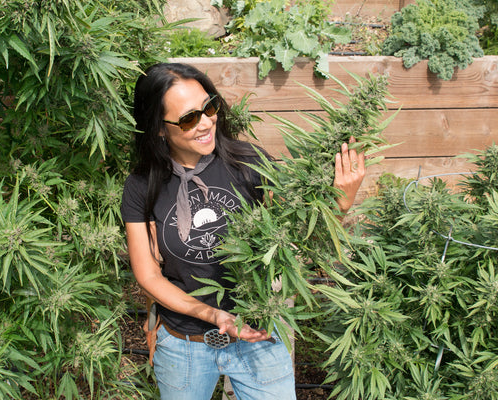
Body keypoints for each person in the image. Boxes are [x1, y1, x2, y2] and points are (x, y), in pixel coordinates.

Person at [121, 62, 365, 400]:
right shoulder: (141, 186)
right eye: (189, 118)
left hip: (258, 336)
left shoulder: (249, 162)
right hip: (184, 346)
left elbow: (297, 242)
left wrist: (338, 205)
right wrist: (212, 313)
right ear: (159, 129)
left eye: (210, 107)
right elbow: (148, 276)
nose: (206, 122)